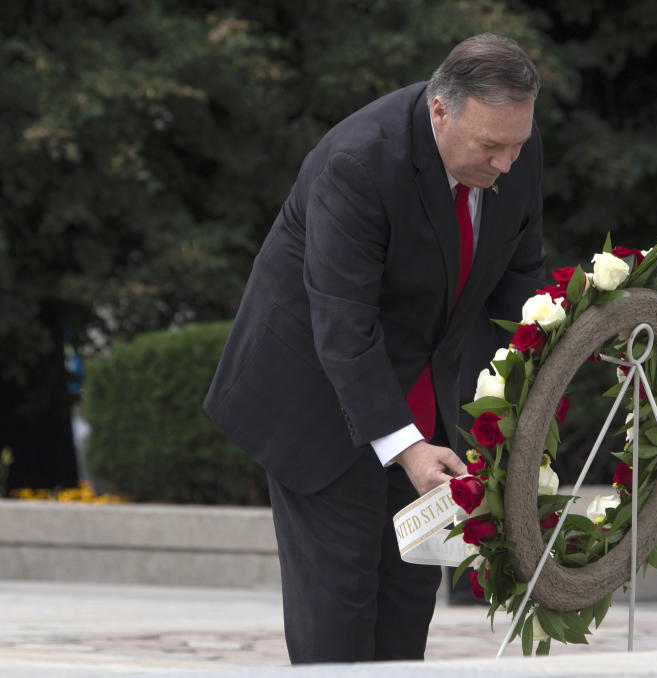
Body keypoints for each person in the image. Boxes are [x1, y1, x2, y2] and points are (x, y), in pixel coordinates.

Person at [203, 34, 546, 663]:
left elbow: (521, 283)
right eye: (491, 147)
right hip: (317, 402)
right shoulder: (358, 163)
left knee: (407, 604)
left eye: (517, 144)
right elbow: (343, 324)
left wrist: (563, 358)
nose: (505, 164)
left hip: (422, 401)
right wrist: (408, 447)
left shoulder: (513, 148)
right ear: (441, 111)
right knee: (339, 612)